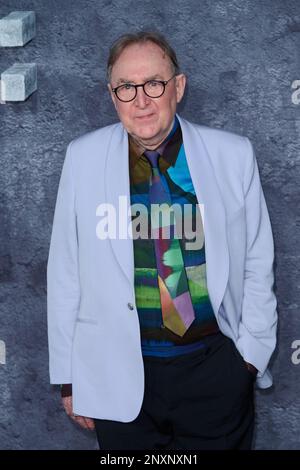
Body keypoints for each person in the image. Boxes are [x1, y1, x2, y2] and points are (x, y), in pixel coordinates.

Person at [47, 31, 278, 450]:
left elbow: (257, 261)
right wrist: (68, 375)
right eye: (126, 87)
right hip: (118, 375)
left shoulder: (233, 155)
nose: (141, 100)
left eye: (154, 83)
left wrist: (249, 358)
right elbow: (65, 271)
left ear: (178, 87)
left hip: (215, 371)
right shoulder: (81, 158)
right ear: (112, 95)